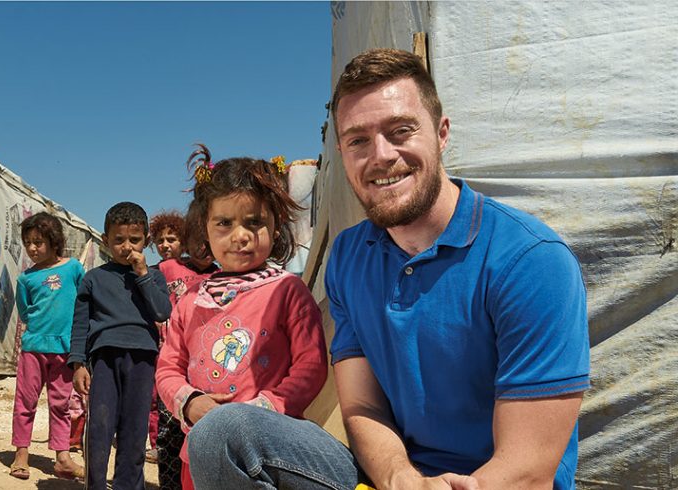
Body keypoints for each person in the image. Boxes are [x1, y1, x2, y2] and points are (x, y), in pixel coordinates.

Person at [187, 48, 591, 490]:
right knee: (223, 435)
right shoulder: (348, 256)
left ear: (441, 134)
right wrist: (400, 477)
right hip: (391, 476)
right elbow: (363, 407)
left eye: (400, 131)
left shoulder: (529, 260)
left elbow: (528, 469)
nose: (380, 155)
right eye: (358, 140)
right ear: (341, 153)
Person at [156, 146, 329, 490]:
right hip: (199, 451)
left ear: (276, 226)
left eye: (254, 222)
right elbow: (168, 367)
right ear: (204, 229)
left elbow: (311, 367)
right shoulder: (191, 299)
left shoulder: (287, 290)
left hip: (267, 452)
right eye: (224, 223)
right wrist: (190, 402)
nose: (240, 235)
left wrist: (263, 410)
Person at [69, 201, 172, 490]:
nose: (126, 246)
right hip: (104, 359)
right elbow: (80, 323)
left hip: (142, 361)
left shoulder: (154, 276)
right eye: (118, 240)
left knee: (134, 430)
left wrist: (143, 275)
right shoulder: (94, 279)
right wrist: (78, 363)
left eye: (134, 240)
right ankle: (96, 485)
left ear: (146, 241)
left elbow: (162, 312)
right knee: (100, 429)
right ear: (106, 240)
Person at [8, 212, 85, 481]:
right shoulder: (25, 279)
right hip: (34, 348)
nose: (32, 248)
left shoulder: (73, 268)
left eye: (38, 242)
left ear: (54, 242)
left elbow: (83, 303)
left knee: (61, 404)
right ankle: (21, 453)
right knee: (25, 402)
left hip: (65, 349)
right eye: (28, 242)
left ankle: (62, 457)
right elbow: (26, 313)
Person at [153, 205, 220, 490]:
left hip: (205, 365)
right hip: (171, 362)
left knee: (202, 433)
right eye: (195, 241)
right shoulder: (168, 268)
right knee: (169, 433)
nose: (202, 248)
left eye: (208, 242)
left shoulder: (222, 276)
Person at [145, 209, 187, 465]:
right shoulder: (149, 271)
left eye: (171, 239)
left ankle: (181, 443)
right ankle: (156, 444)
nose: (165, 245)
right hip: (156, 343)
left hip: (182, 346)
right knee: (154, 397)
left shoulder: (193, 270)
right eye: (160, 241)